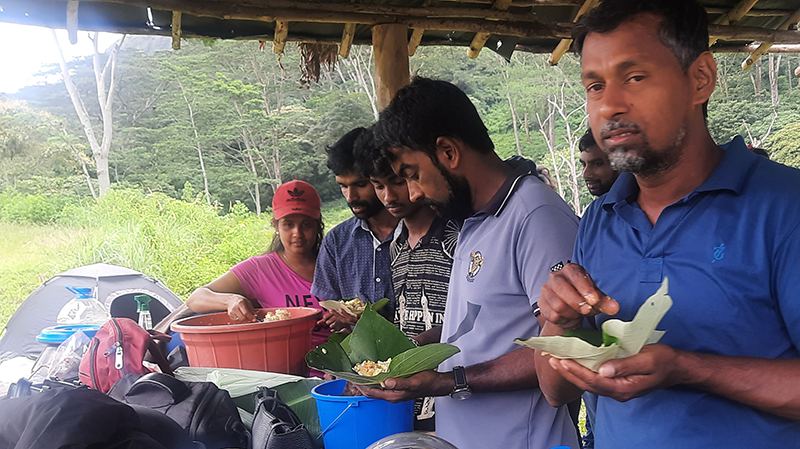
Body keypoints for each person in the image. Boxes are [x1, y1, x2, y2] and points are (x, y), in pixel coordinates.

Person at [535, 1, 800, 449]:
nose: (610, 106)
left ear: (700, 79)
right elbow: (554, 390)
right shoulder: (600, 218)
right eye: (595, 86)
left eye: (634, 77)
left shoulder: (784, 206)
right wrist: (557, 325)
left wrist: (688, 368)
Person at [356, 77, 581, 449]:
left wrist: (449, 381)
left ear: (448, 152)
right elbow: (478, 326)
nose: (413, 193)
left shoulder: (535, 216)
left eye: (413, 174)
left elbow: (561, 350)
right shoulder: (473, 219)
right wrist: (414, 350)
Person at [355, 128, 460, 430]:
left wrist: (421, 344)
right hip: (409, 395)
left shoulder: (456, 235)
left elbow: (471, 319)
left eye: (398, 182)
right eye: (378, 186)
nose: (389, 196)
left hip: (454, 388)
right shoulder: (397, 243)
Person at [186, 179, 330, 348]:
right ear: (275, 226)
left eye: (306, 225)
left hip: (342, 364)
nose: (297, 233)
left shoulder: (337, 265)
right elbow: (196, 299)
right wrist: (230, 300)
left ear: (318, 226)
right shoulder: (259, 270)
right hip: (287, 367)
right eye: (288, 225)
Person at [311, 127, 402, 328]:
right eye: (343, 186)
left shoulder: (417, 233)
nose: (351, 197)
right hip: (363, 359)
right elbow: (331, 307)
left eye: (360, 184)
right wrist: (340, 319)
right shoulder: (337, 241)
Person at [579, 128, 619, 197]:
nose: (585, 174)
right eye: (584, 165)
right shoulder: (596, 206)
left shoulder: (639, 203)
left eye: (596, 164)